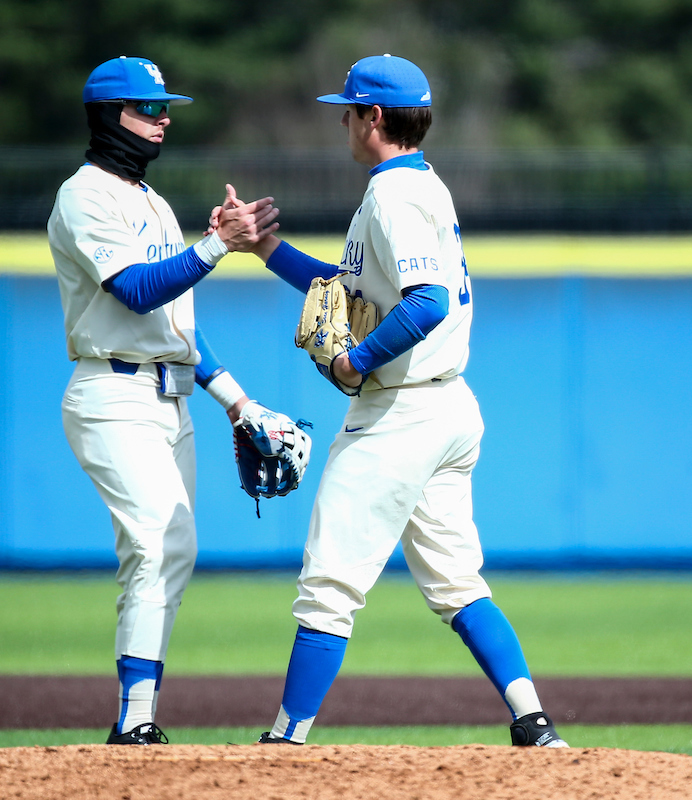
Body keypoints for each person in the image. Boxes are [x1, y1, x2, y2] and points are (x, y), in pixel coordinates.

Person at [220, 54, 569, 748]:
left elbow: (428, 302)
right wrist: (268, 250)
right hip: (448, 410)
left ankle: (286, 741)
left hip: (401, 413)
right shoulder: (419, 185)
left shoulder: (392, 196)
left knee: (328, 584)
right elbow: (349, 289)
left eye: (347, 111)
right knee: (456, 582)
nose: (343, 123)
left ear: (373, 117)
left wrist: (356, 357)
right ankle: (534, 722)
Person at [47, 55, 297, 746]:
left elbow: (176, 327)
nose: (161, 120)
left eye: (164, 109)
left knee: (173, 548)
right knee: (158, 540)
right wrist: (217, 243)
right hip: (110, 393)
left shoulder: (154, 204)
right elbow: (134, 291)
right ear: (107, 115)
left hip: (170, 397)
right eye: (145, 108)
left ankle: (138, 716)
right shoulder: (85, 196)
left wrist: (238, 402)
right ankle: (134, 721)